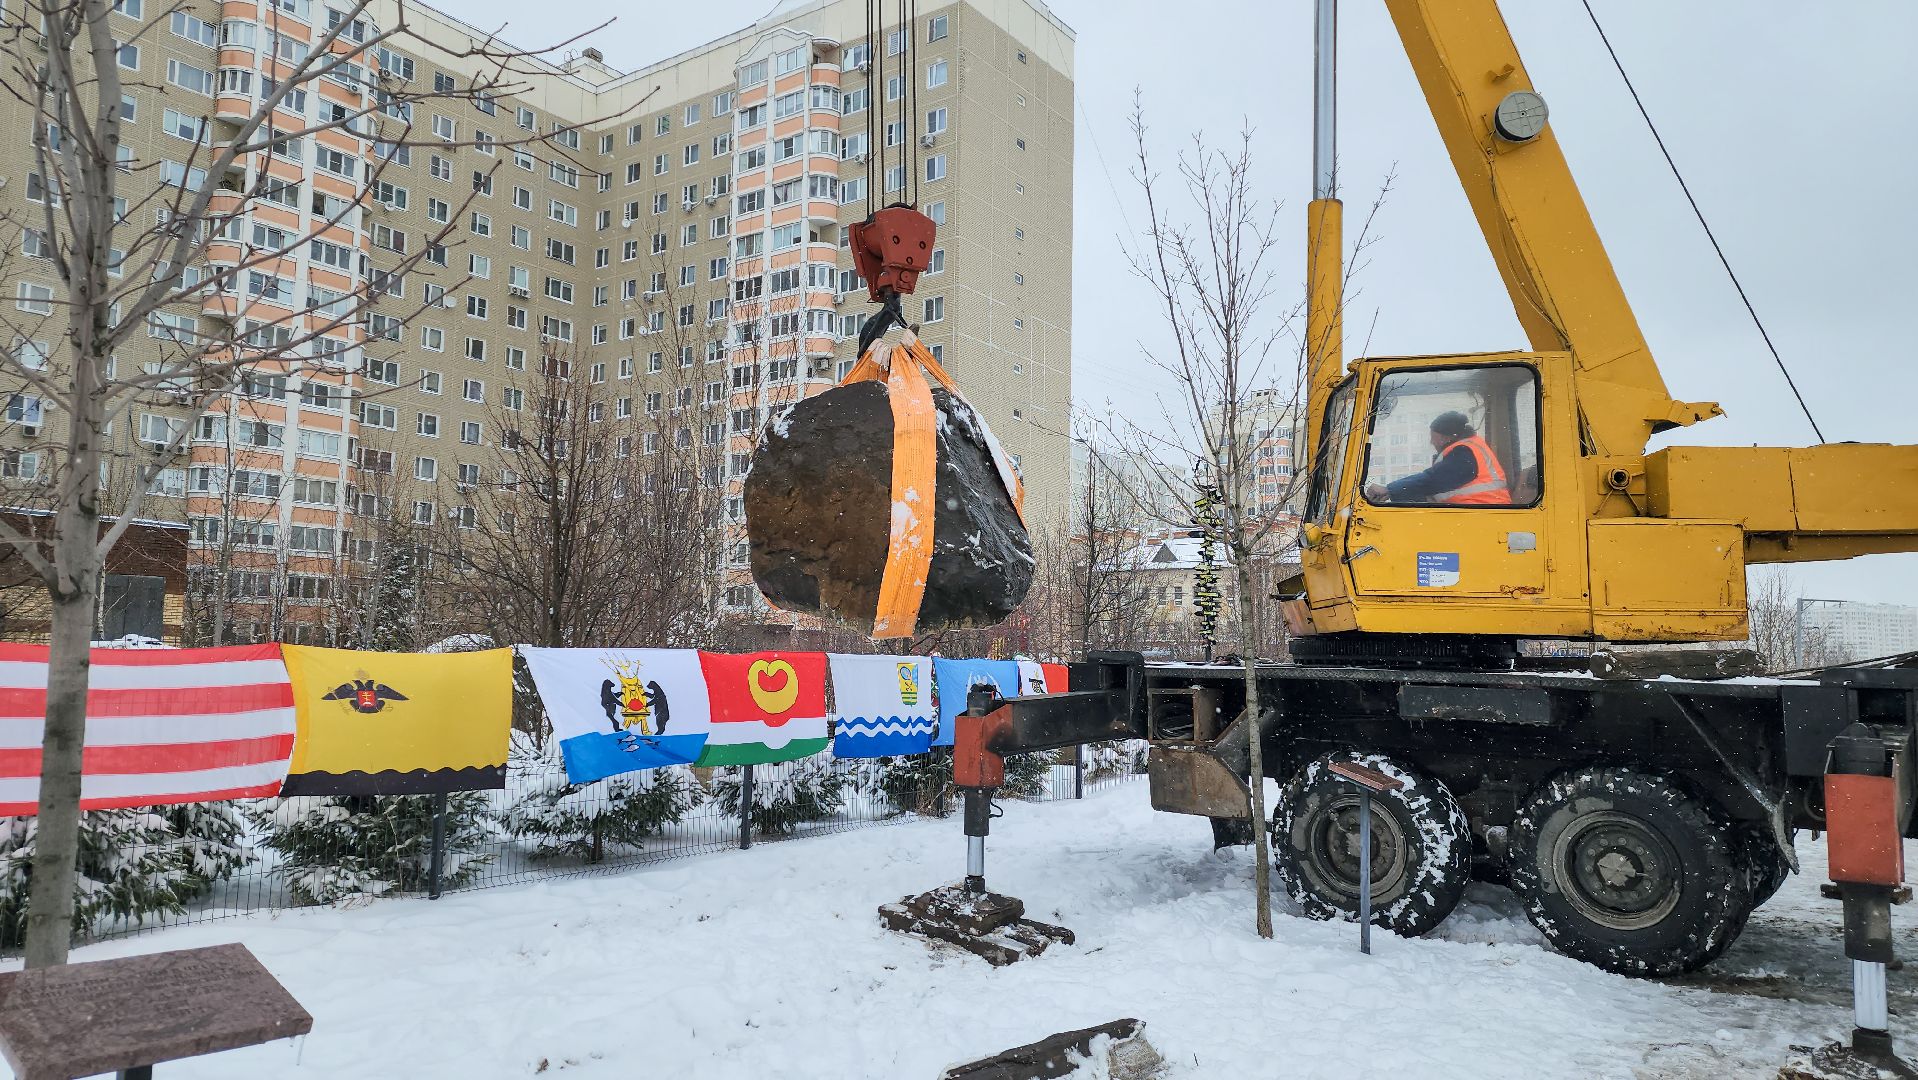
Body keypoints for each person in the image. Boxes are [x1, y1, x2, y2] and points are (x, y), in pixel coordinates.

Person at [1364, 410, 1512, 506]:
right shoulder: (1466, 449)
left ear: (1446, 438)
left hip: (1483, 516)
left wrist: (1389, 490)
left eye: (1433, 437)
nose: (1432, 442)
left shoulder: (1464, 452)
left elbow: (1433, 480)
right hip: (1479, 513)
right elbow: (1436, 487)